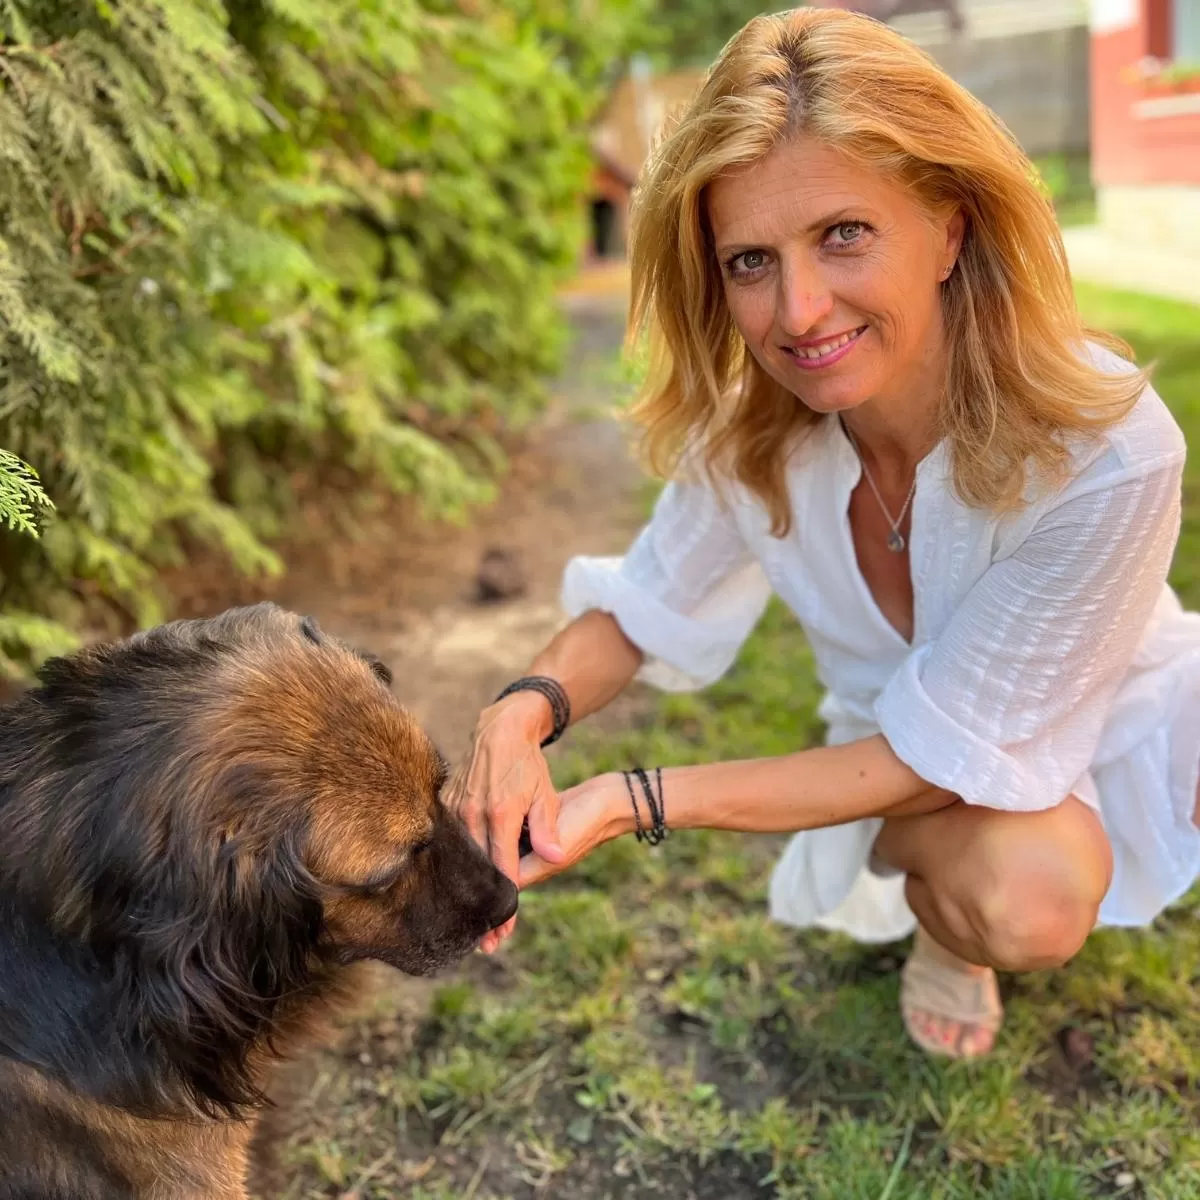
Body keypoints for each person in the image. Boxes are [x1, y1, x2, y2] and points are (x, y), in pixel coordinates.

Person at [445, 7, 1200, 1060]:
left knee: (1043, 871)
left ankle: (946, 890)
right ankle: (943, 905)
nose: (799, 311)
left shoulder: (1109, 449)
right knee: (1024, 890)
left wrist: (627, 801)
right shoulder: (755, 427)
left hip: (1104, 703)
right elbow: (643, 603)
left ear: (950, 227)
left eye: (844, 234)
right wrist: (519, 717)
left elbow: (951, 755)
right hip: (895, 754)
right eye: (751, 261)